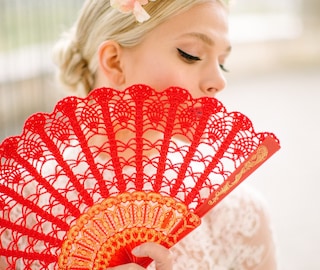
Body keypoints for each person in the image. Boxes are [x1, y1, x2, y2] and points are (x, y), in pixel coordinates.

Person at [0, 0, 277, 269]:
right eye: (190, 54)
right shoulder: (14, 210)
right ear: (115, 62)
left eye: (223, 62)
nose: (218, 81)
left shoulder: (238, 214)